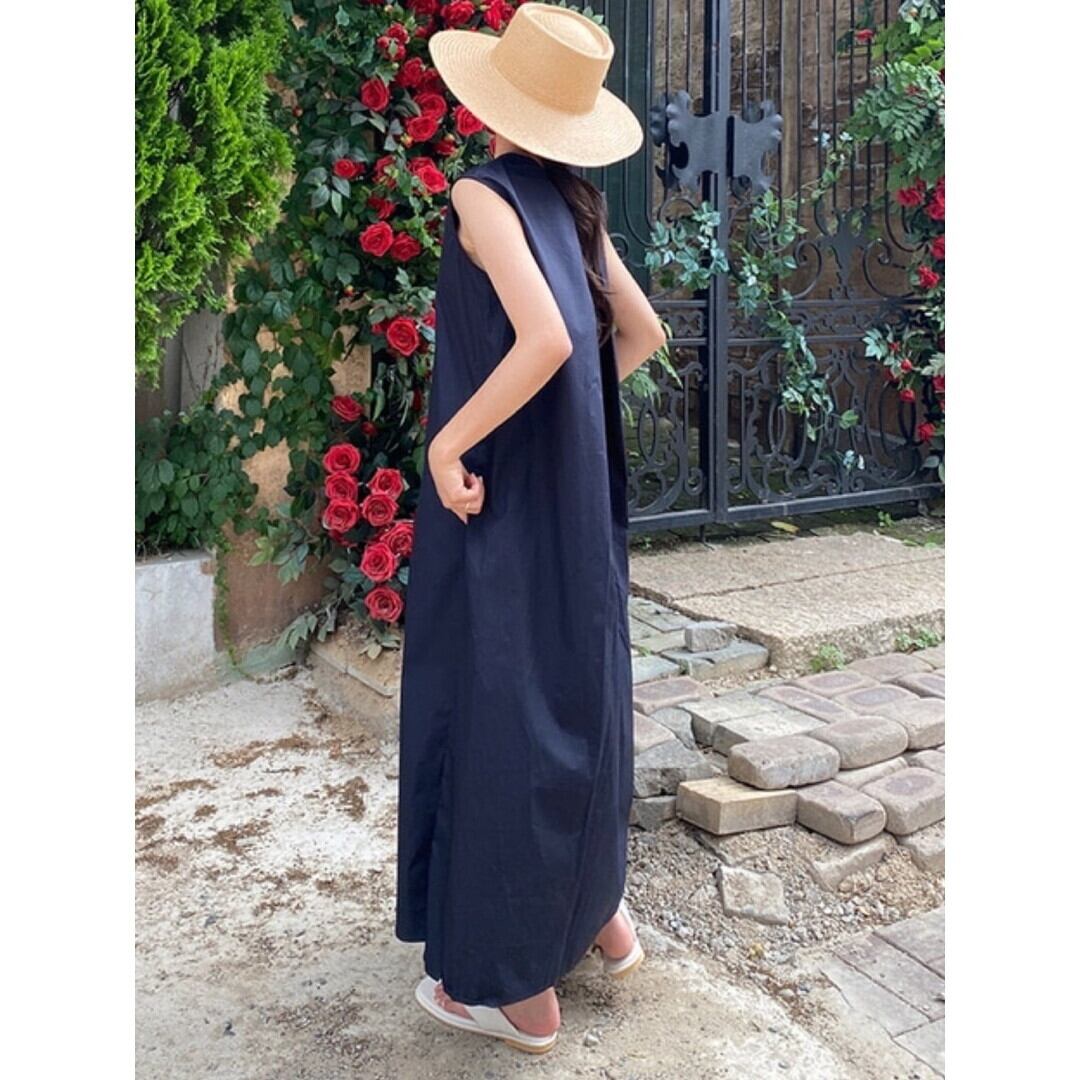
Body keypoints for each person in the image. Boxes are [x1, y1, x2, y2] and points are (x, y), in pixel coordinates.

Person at [395, 3, 667, 1055]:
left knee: (499, 706)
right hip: (575, 503)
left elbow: (547, 339)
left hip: (500, 501)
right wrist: (571, 429)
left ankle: (515, 991)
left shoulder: (482, 191)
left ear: (495, 101)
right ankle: (600, 917)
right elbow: (637, 333)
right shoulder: (576, 207)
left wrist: (448, 445)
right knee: (574, 694)